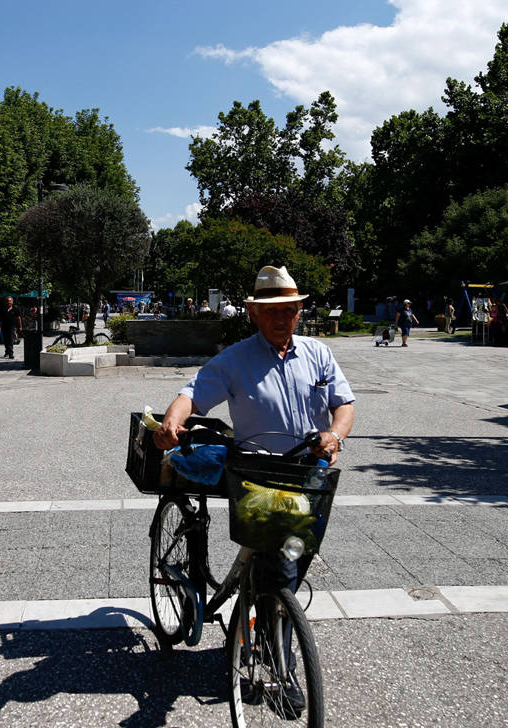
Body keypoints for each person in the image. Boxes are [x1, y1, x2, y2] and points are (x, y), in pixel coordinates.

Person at [153, 265, 355, 715]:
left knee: (295, 557)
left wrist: (335, 436)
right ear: (253, 313)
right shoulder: (236, 359)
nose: (283, 317)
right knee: (276, 568)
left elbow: (344, 405)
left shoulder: (318, 354)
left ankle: (270, 621)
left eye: (290, 309)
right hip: (256, 476)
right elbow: (193, 392)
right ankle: (279, 667)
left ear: (300, 311)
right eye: (272, 310)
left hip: (307, 475)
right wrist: (173, 419)